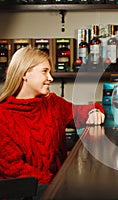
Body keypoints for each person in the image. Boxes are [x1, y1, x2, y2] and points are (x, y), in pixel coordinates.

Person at [0, 46, 105, 198]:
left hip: (57, 188)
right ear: (24, 74)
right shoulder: (3, 115)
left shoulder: (52, 103)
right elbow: (13, 169)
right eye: (44, 71)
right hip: (23, 193)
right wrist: (59, 183)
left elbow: (85, 111)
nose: (50, 78)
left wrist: (94, 112)